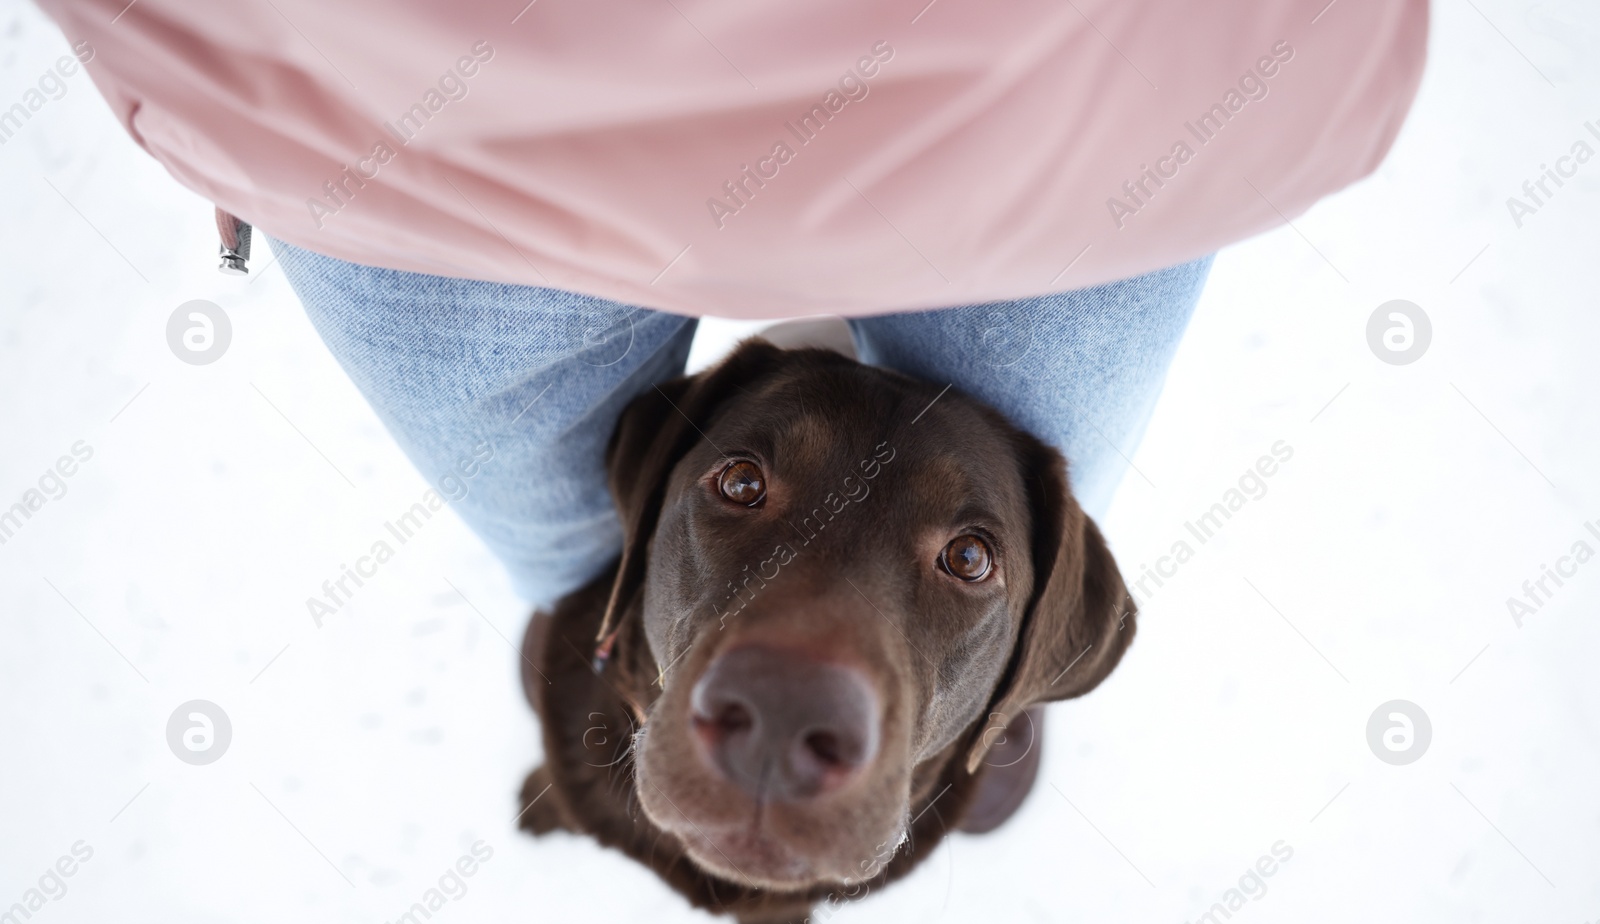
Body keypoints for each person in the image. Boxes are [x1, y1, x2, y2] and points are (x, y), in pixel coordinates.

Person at [41, 0, 1425, 607]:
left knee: (564, 531)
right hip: (1104, 112)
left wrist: (172, 70)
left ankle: (948, 684)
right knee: (998, 521)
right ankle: (634, 649)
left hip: (393, 120)